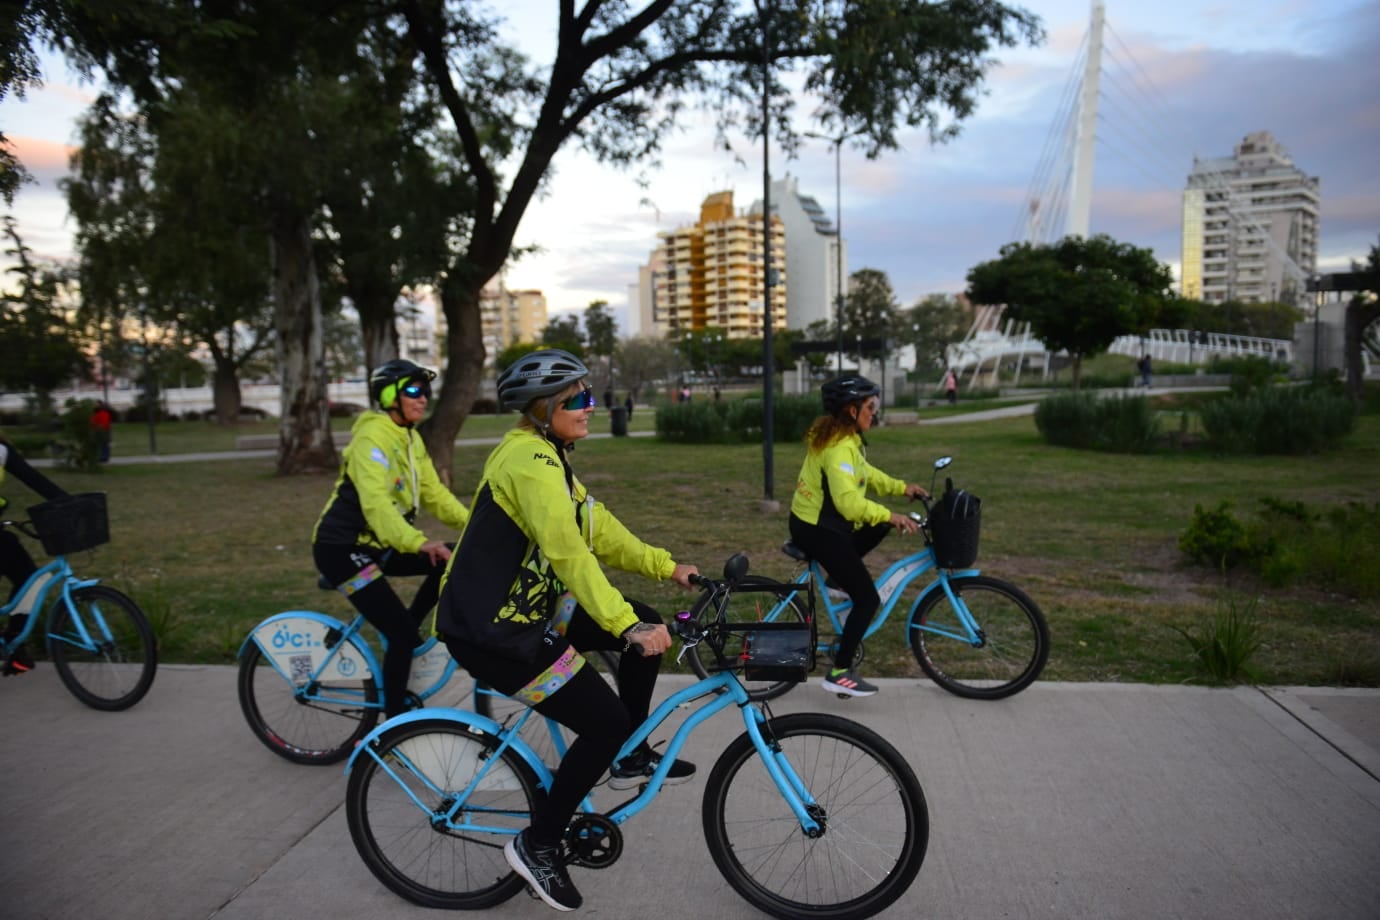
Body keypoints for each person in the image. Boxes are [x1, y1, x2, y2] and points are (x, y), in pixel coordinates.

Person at [435, 348, 699, 912]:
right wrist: (623, 624)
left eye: (589, 396)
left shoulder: (549, 456)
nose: (590, 407)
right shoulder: (527, 462)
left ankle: (629, 753)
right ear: (541, 408)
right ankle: (539, 844)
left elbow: (596, 527)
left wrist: (665, 566)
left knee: (648, 627)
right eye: (577, 400)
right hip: (496, 632)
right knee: (603, 721)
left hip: (533, 612)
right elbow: (568, 553)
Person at [312, 358, 469, 718]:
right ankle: (392, 727)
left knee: (454, 556)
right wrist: (418, 543)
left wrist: (480, 525)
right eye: (414, 390)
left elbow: (436, 495)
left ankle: (410, 631)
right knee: (398, 634)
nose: (423, 398)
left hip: (380, 545)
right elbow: (377, 507)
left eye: (427, 390)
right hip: (341, 549)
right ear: (389, 395)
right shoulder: (372, 438)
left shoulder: (410, 438)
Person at [788, 375, 928, 698]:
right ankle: (839, 671)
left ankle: (839, 578)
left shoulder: (846, 439)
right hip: (816, 529)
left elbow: (865, 475)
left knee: (879, 524)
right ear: (851, 410)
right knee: (867, 599)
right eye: (869, 407)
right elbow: (849, 504)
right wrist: (891, 514)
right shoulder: (838, 448)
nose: (873, 413)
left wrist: (900, 487)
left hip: (822, 524)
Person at [1, 436, 68, 674]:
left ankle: (14, 643)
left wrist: (70, 503)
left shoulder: (1, 450)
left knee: (31, 579)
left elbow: (36, 481)